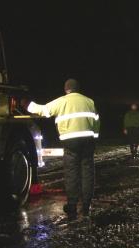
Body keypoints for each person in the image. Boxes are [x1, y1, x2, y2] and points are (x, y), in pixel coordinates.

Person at [27, 79, 100, 220]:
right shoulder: (89, 101)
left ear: (66, 89)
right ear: (78, 89)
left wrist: (26, 104)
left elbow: (43, 110)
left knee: (72, 173)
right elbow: (96, 122)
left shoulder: (62, 101)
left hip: (70, 142)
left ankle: (72, 205)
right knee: (88, 172)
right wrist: (94, 137)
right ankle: (86, 205)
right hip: (88, 141)